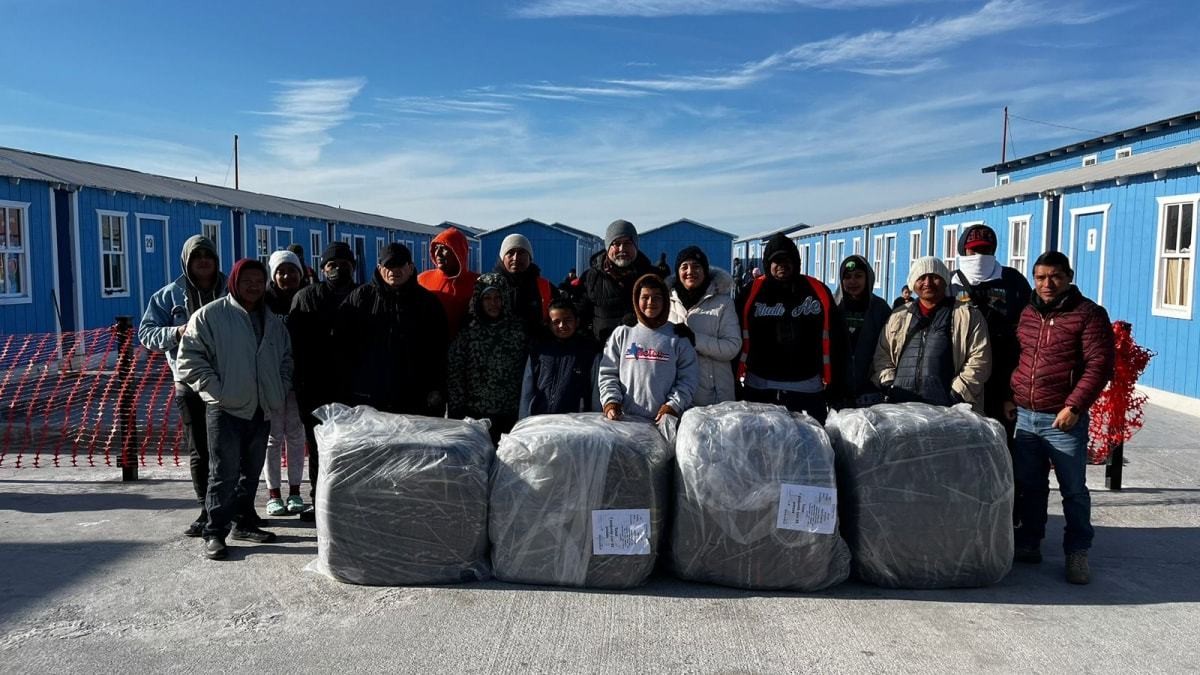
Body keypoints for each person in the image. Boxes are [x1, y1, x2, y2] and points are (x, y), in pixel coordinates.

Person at [1006, 251, 1113, 585]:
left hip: (1062, 419)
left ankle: (1077, 551)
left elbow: (1099, 365)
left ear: (1069, 276)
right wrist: (1011, 394)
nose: (1047, 284)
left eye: (1054, 276)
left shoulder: (1088, 315)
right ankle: (1030, 542)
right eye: (1040, 277)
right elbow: (1018, 355)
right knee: (1030, 486)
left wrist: (1076, 406)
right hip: (1025, 415)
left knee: (1073, 490)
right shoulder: (1027, 312)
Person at [176, 259, 292, 560]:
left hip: (261, 408)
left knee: (250, 472)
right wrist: (216, 391)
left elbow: (285, 360)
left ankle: (243, 522)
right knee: (223, 473)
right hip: (225, 409)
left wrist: (277, 389)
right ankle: (214, 531)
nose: (253, 286)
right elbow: (189, 358)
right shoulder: (211, 316)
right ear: (234, 283)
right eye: (247, 281)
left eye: (258, 281)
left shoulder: (273, 322)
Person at [138, 235, 227, 538]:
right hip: (187, 383)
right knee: (200, 450)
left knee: (229, 449)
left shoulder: (231, 289)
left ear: (216, 259)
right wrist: (176, 332)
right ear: (186, 260)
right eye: (196, 255)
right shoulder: (167, 296)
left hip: (228, 382)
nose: (203, 260)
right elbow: (146, 333)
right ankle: (207, 509)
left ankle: (237, 509)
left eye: (208, 254)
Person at [735, 234, 846, 424]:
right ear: (767, 263)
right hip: (760, 387)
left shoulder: (817, 291)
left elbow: (838, 339)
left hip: (808, 389)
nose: (782, 265)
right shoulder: (751, 292)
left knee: (809, 447)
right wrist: (735, 383)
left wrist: (837, 385)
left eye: (788, 260)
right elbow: (733, 335)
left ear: (796, 262)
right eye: (776, 260)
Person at [288, 241, 360, 519]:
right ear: (322, 268)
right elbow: (295, 346)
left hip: (353, 390)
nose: (338, 269)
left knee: (352, 449)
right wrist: (301, 385)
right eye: (332, 264)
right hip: (315, 388)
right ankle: (320, 502)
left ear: (353, 268)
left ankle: (349, 503)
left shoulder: (363, 295)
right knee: (319, 449)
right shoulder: (306, 297)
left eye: (344, 264)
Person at [336, 243, 448, 415]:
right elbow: (342, 344)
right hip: (370, 397)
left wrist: (437, 389)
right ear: (380, 268)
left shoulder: (427, 303)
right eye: (389, 265)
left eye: (400, 265)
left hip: (416, 398)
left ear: (410, 268)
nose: (394, 270)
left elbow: (440, 349)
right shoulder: (361, 298)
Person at [872, 256, 991, 413]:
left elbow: (979, 360)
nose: (927, 283)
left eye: (934, 277)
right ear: (913, 283)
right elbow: (883, 354)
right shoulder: (898, 316)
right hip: (902, 408)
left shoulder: (968, 316)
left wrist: (957, 394)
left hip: (950, 411)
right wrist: (889, 385)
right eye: (921, 277)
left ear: (945, 280)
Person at [950, 224, 1033, 435]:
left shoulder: (1012, 281)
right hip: (962, 376)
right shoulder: (949, 282)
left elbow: (1029, 327)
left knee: (1001, 440)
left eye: (986, 251)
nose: (979, 256)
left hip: (1003, 377)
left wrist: (1011, 391)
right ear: (963, 251)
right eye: (974, 251)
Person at [599, 274, 698, 423]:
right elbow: (608, 373)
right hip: (625, 420)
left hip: (664, 421)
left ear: (665, 301)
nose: (651, 302)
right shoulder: (622, 333)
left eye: (657, 297)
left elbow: (688, 379)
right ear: (636, 300)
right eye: (645, 297)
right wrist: (611, 402)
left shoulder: (679, 337)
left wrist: (672, 406)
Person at [447, 273, 528, 443]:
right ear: (479, 300)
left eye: (498, 297)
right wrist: (457, 410)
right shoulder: (468, 331)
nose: (493, 303)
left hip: (510, 414)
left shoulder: (518, 330)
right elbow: (455, 371)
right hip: (475, 414)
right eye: (487, 298)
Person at [261, 250, 307, 517]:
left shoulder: (307, 298)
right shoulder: (264, 302)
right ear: (273, 274)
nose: (287, 276)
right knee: (272, 437)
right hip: (272, 379)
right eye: (281, 271)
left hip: (299, 379)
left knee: (296, 434)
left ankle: (295, 491)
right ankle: (273, 493)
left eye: (292, 271)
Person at [667, 246, 740, 406]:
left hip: (714, 398)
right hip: (676, 396)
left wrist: (695, 339)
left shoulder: (723, 303)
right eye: (684, 267)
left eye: (696, 266)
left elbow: (732, 347)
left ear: (705, 271)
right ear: (677, 272)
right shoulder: (667, 304)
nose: (690, 271)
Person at [579, 219, 660, 342]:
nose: (622, 249)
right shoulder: (591, 277)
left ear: (636, 246)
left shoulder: (651, 276)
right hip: (603, 352)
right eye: (616, 243)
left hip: (643, 350)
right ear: (608, 247)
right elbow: (579, 316)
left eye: (627, 243)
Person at [519, 299, 600, 418]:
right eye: (556, 322)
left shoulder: (589, 352)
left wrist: (597, 420)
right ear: (549, 324)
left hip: (577, 422)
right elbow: (527, 389)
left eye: (568, 320)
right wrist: (522, 420)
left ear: (577, 321)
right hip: (540, 420)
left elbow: (595, 393)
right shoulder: (540, 351)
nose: (562, 325)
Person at [835, 255, 892, 407]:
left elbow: (889, 348)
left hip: (871, 391)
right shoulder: (834, 307)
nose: (852, 281)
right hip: (838, 391)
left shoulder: (880, 309)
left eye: (858, 276)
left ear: (868, 278)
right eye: (847, 277)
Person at [418, 227, 479, 340]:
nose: (438, 253)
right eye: (436, 248)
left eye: (444, 248)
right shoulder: (422, 280)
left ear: (459, 252)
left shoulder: (478, 283)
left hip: (466, 350)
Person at [493, 234, 555, 336]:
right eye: (510, 253)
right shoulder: (489, 286)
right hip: (498, 349)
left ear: (530, 258)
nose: (516, 258)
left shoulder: (545, 287)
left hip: (537, 348)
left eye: (521, 253)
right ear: (502, 258)